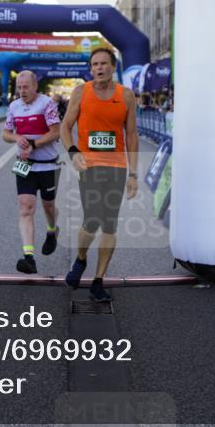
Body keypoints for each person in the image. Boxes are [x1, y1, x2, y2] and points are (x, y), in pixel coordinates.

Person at [60, 48, 139, 303]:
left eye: (104, 63)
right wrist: (73, 152)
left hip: (116, 167)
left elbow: (132, 135)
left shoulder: (125, 96)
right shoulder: (81, 92)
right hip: (90, 166)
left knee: (110, 224)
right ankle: (81, 258)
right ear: (91, 68)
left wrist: (133, 174)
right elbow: (65, 126)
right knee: (92, 219)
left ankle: (98, 281)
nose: (99, 68)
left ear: (113, 67)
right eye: (95, 64)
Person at [1, 70, 62, 274]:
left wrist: (33, 144)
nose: (22, 91)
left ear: (35, 86)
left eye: (26, 87)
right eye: (19, 87)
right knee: (25, 207)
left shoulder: (47, 104)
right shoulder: (14, 106)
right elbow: (5, 133)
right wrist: (16, 138)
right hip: (25, 165)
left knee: (48, 206)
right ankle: (29, 257)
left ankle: (52, 231)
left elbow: (55, 132)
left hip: (48, 165)